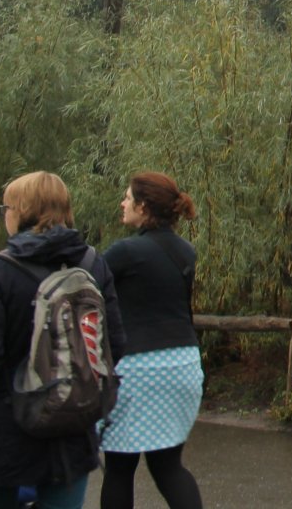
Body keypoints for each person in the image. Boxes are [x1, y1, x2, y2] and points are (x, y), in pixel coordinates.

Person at [0, 171, 127, 509]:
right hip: (72, 426)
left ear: (20, 211)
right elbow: (116, 343)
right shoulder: (93, 264)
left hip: (4, 435)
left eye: (6, 207)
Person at [98, 173, 203, 509]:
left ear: (143, 207)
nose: (123, 203)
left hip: (137, 368)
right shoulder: (186, 251)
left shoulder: (125, 252)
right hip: (183, 365)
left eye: (128, 198)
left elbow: (88, 290)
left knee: (119, 468)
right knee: (168, 467)